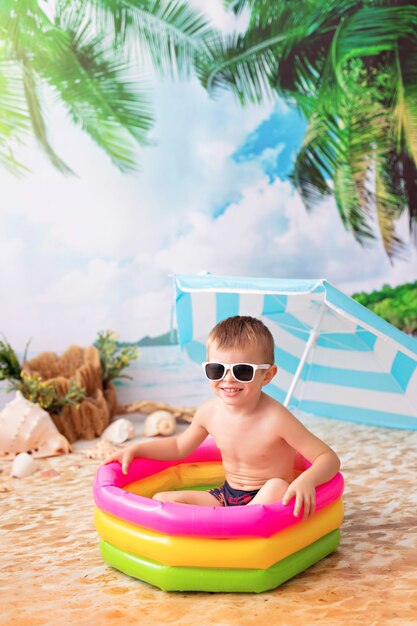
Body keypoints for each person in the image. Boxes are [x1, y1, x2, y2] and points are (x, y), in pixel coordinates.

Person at [106, 316, 340, 520]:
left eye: (242, 370)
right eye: (217, 369)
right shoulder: (209, 412)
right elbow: (179, 446)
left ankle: (234, 525)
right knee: (162, 499)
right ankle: (228, 524)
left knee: (278, 486)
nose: (228, 379)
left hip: (266, 496)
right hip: (226, 495)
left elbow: (327, 458)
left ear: (267, 375)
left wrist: (305, 481)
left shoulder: (276, 418)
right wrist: (137, 450)